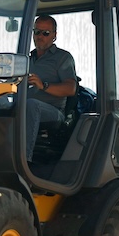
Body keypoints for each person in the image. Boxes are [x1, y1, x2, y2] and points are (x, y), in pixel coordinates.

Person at [25, 15, 77, 162]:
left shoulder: (62, 58)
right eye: (36, 32)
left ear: (54, 35)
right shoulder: (25, 59)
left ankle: (22, 160)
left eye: (45, 33)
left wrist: (43, 85)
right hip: (23, 107)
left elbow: (70, 88)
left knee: (32, 105)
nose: (40, 36)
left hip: (53, 112)